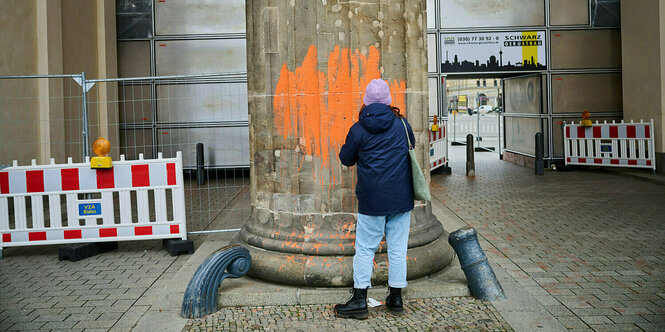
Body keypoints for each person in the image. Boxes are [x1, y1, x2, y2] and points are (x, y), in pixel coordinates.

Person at [334, 78, 415, 319]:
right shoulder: (402, 124)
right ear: (389, 100)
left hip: (371, 200)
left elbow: (346, 159)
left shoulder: (358, 129)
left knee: (365, 249)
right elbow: (412, 145)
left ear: (366, 101)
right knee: (398, 249)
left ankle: (360, 301)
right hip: (401, 197)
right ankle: (396, 299)